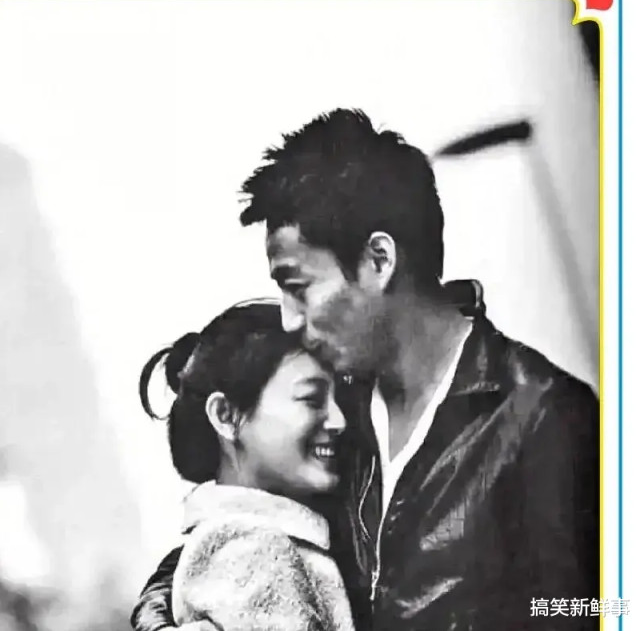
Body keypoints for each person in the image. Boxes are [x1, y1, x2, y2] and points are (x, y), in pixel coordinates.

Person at [133, 109, 600, 630]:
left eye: (298, 287)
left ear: (379, 260)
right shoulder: (339, 413)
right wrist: (161, 620)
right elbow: (226, 539)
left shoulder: (544, 418)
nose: (289, 320)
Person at [131, 302, 356, 631]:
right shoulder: (254, 550)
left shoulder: (242, 540)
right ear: (226, 415)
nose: (339, 421)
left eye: (340, 401)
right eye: (311, 398)